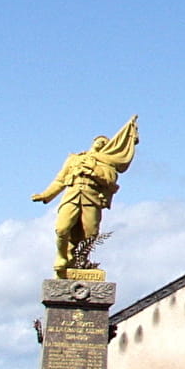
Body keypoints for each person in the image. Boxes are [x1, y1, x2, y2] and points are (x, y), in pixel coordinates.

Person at [32, 115, 138, 277]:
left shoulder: (106, 164)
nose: (100, 142)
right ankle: (61, 257)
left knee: (91, 234)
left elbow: (111, 181)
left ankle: (79, 260)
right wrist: (45, 195)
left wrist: (92, 171)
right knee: (62, 228)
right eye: (98, 140)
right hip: (72, 196)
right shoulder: (74, 159)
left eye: (104, 142)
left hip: (91, 200)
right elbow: (60, 180)